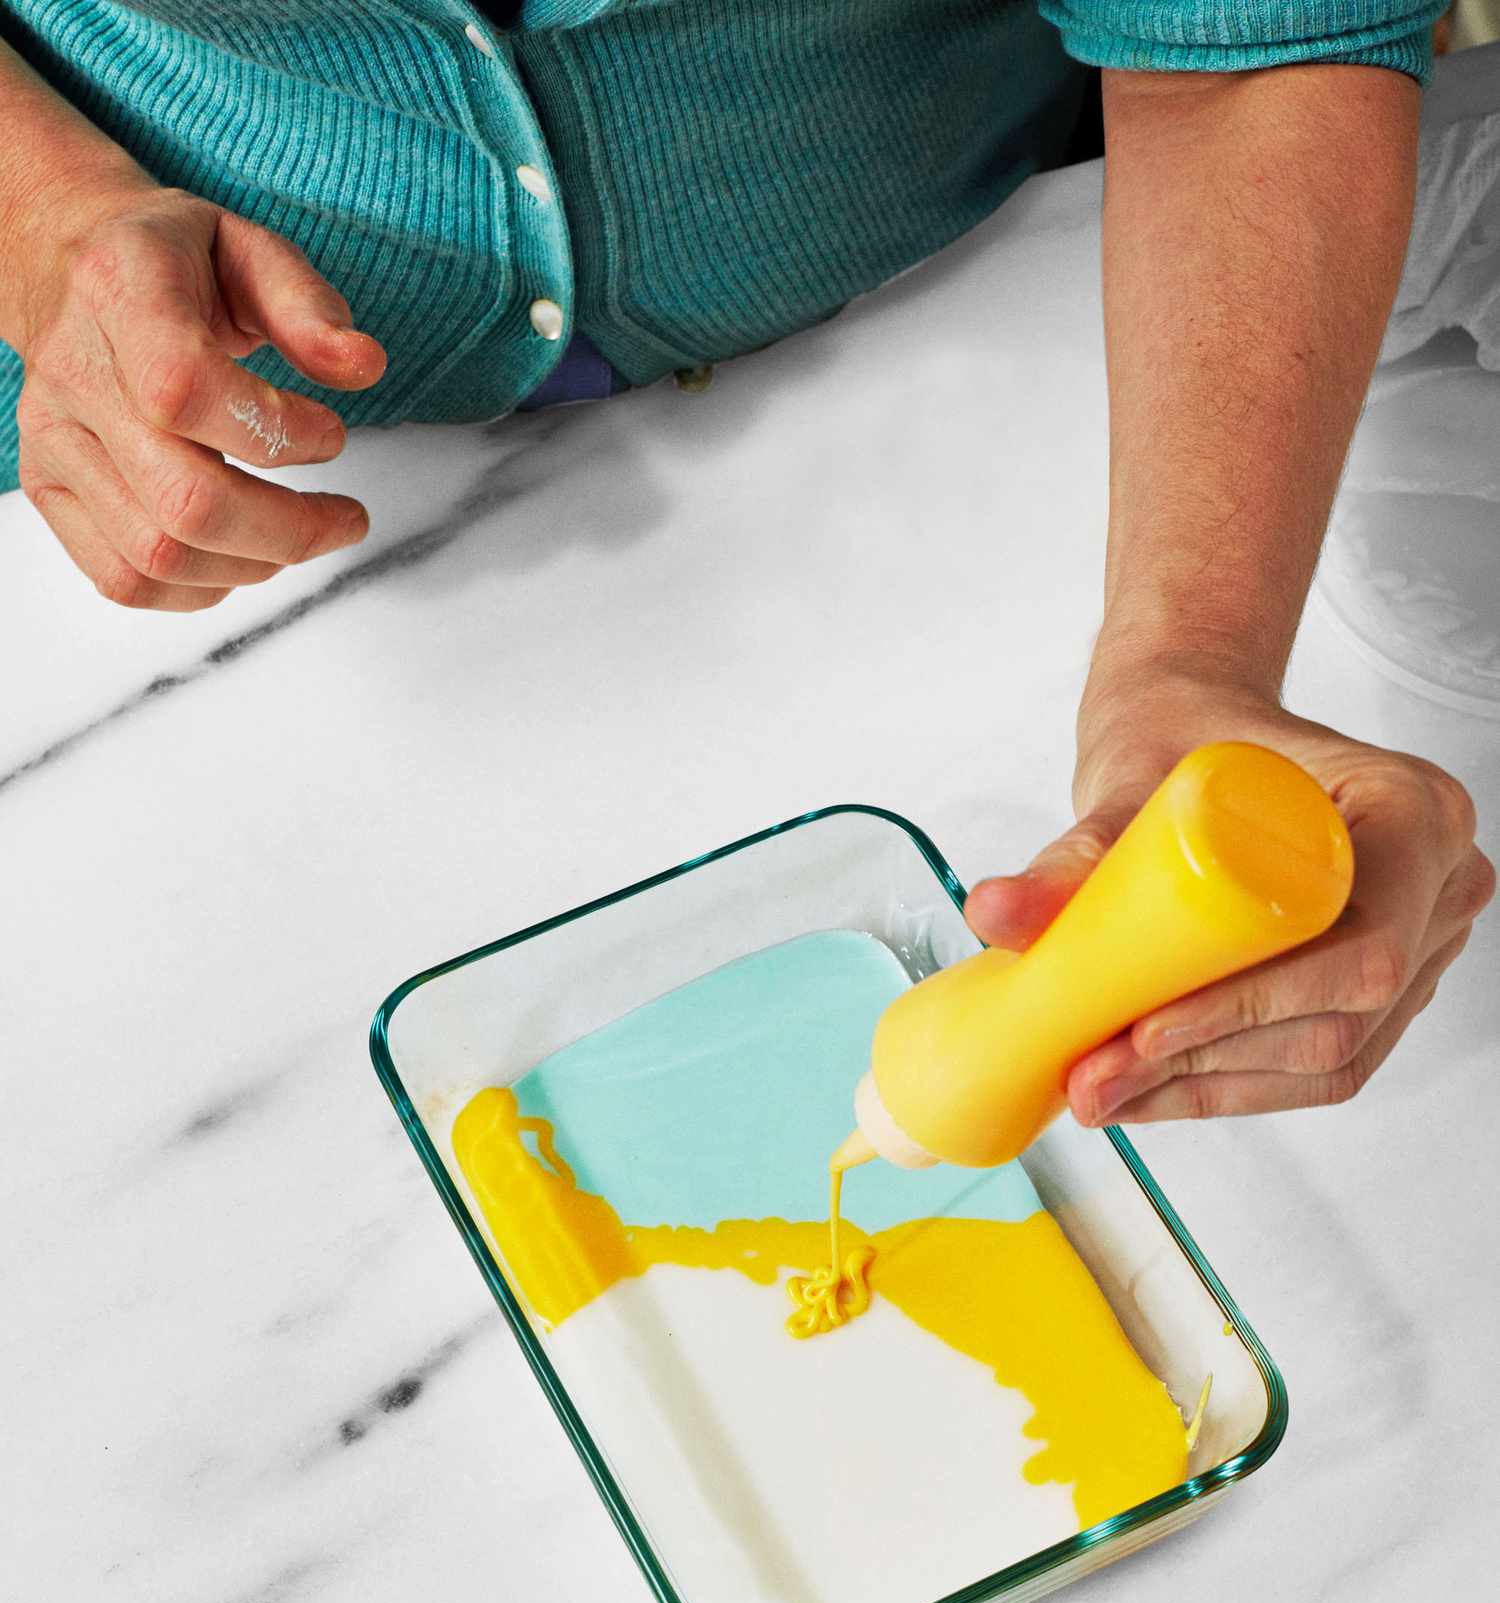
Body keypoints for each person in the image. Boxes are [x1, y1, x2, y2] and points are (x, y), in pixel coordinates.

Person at [0, 3, 1492, 1129]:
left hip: (991, 336)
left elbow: (1236, 44)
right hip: (145, 476)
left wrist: (1195, 650)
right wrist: (41, 223)